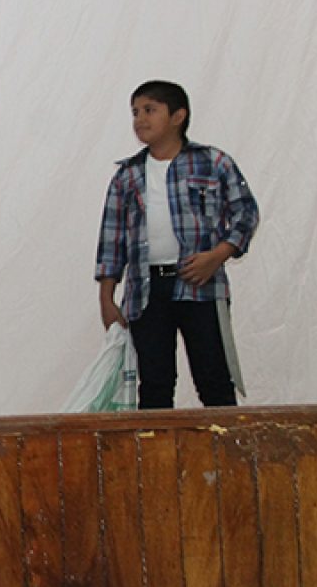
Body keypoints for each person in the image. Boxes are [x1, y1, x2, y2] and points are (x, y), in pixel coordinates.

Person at [95, 80, 260, 408]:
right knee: (154, 384)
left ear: (177, 116)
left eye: (150, 110)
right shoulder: (127, 175)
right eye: (135, 112)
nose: (140, 119)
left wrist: (218, 255)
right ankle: (157, 443)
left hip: (201, 285)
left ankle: (224, 442)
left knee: (214, 379)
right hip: (146, 292)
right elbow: (111, 238)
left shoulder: (213, 162)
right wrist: (106, 298)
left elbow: (246, 212)